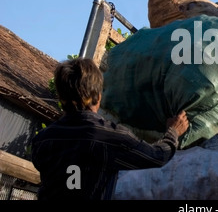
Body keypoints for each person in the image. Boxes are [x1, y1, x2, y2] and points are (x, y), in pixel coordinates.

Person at [31, 57, 189, 200]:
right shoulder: (107, 136)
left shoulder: (42, 139)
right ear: (98, 97)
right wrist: (173, 132)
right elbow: (157, 156)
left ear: (60, 96)